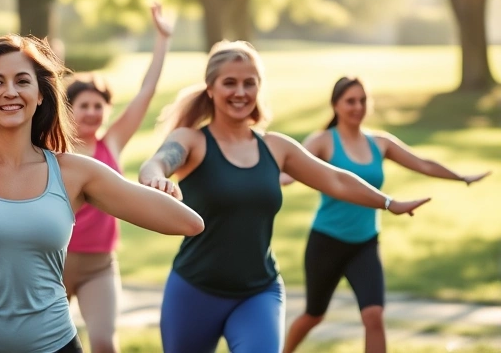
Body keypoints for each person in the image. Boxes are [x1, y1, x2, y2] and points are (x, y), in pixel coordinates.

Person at [0, 34, 205, 353]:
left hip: (54, 345)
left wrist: (158, 181)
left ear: (40, 94)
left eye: (22, 81)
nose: (10, 92)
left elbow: (189, 224)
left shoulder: (75, 172)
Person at [137, 41, 431, 353]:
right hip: (195, 290)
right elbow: (155, 163)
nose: (241, 92)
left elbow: (335, 179)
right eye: (230, 83)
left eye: (250, 83)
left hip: (258, 293)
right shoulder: (192, 141)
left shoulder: (276, 147)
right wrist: (156, 177)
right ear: (210, 89)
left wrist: (388, 202)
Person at [283, 77, 490, 353]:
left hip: (365, 243)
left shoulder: (379, 143)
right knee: (314, 315)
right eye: (350, 101)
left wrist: (461, 177)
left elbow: (422, 163)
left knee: (374, 316)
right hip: (327, 242)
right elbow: (288, 171)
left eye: (362, 100)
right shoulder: (322, 141)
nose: (357, 107)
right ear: (336, 105)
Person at [63, 2, 173, 353]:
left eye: (99, 106)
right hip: (53, 265)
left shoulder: (111, 142)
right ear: (69, 110)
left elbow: (146, 93)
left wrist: (162, 39)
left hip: (100, 266)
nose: (93, 113)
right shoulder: (53, 148)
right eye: (85, 106)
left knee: (104, 344)